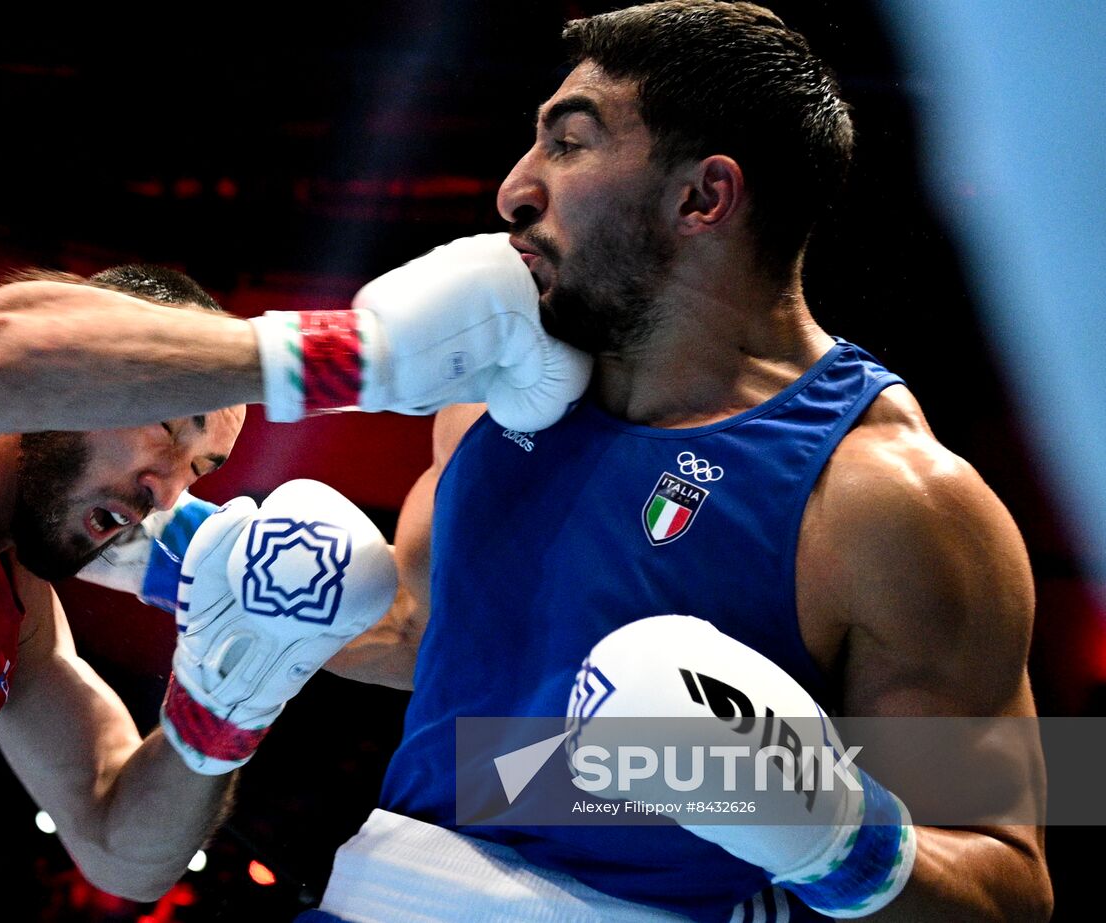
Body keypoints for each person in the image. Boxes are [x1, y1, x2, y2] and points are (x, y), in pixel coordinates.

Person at [317, 2, 1053, 921]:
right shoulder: (496, 398)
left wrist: (832, 833)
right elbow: (434, 634)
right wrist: (165, 557)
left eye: (570, 144)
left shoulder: (887, 501)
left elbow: (1011, 887)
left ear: (702, 199)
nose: (514, 189)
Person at [0, 249, 590, 922]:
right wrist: (365, 356)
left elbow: (124, 853)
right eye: (171, 431)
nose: (164, 492)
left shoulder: (16, 619)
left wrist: (224, 701)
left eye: (198, 471)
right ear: (99, 361)